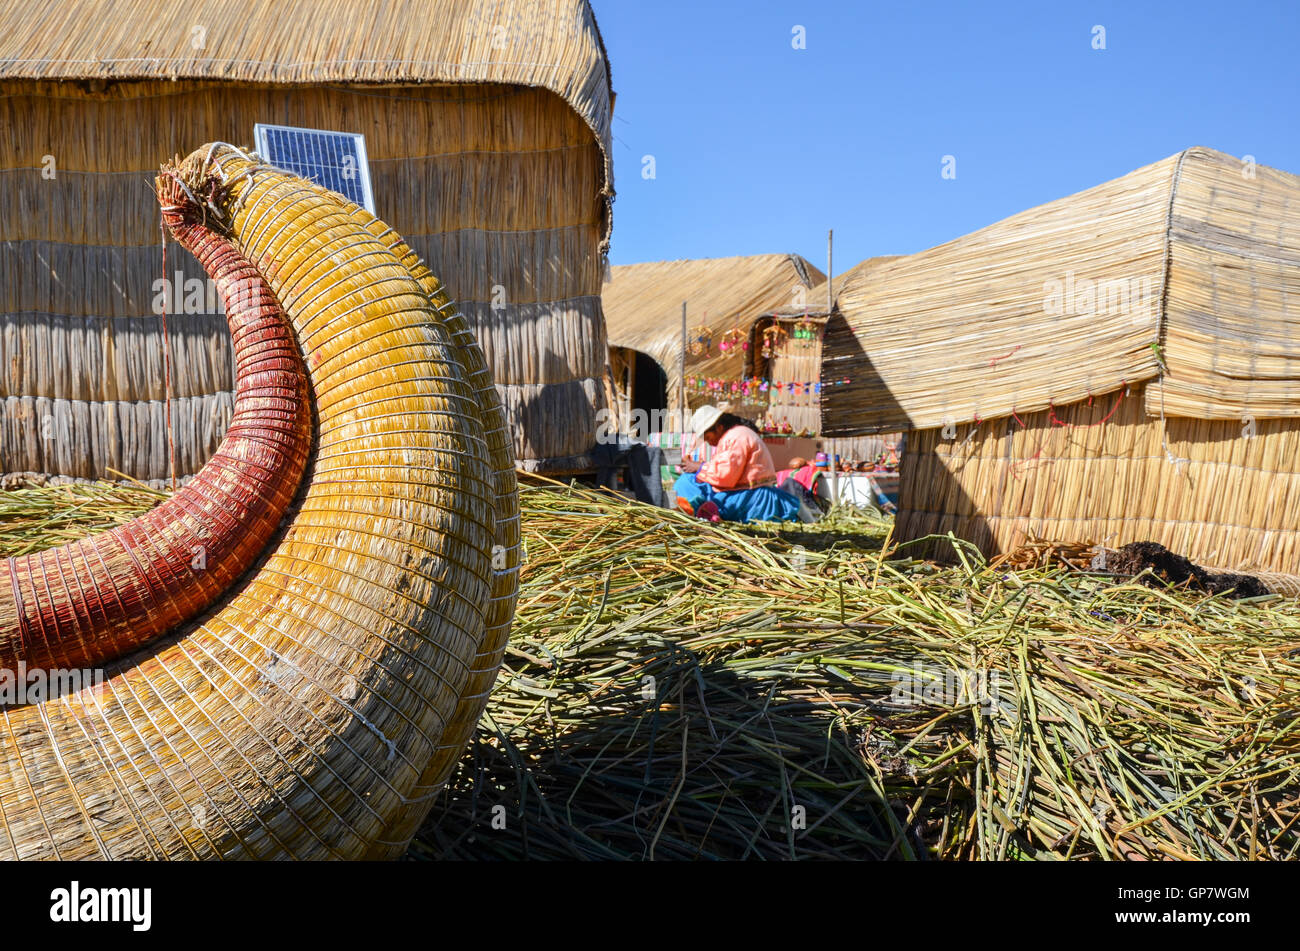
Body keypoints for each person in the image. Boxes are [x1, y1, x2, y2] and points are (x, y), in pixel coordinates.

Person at [674, 405, 801, 523]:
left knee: (686, 482)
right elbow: (727, 466)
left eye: (708, 437)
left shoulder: (735, 437)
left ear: (719, 427)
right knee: (690, 481)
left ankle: (697, 513)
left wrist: (699, 467)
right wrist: (700, 467)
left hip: (750, 498)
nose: (709, 442)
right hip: (744, 492)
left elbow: (725, 476)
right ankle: (695, 510)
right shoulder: (735, 434)